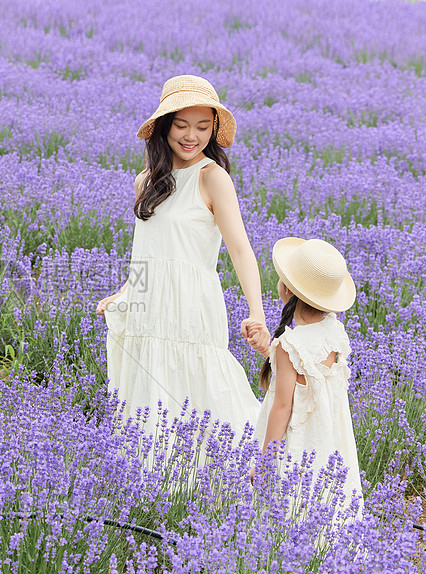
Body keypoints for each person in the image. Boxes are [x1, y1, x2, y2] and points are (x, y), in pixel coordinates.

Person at [96, 74, 269, 456]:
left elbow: (240, 250)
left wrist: (257, 315)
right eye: (182, 126)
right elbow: (147, 248)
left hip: (191, 304)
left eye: (203, 127)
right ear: (163, 128)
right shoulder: (147, 181)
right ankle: (153, 487)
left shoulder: (213, 177)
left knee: (198, 389)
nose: (192, 136)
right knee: (149, 394)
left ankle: (225, 477)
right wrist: (124, 293)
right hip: (148, 306)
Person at [252, 237, 363, 520]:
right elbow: (310, 373)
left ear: (286, 289)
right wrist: (270, 349)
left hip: (297, 444)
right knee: (327, 503)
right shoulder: (335, 330)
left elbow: (283, 406)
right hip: (330, 438)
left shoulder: (290, 345)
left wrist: (265, 462)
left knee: (289, 507)